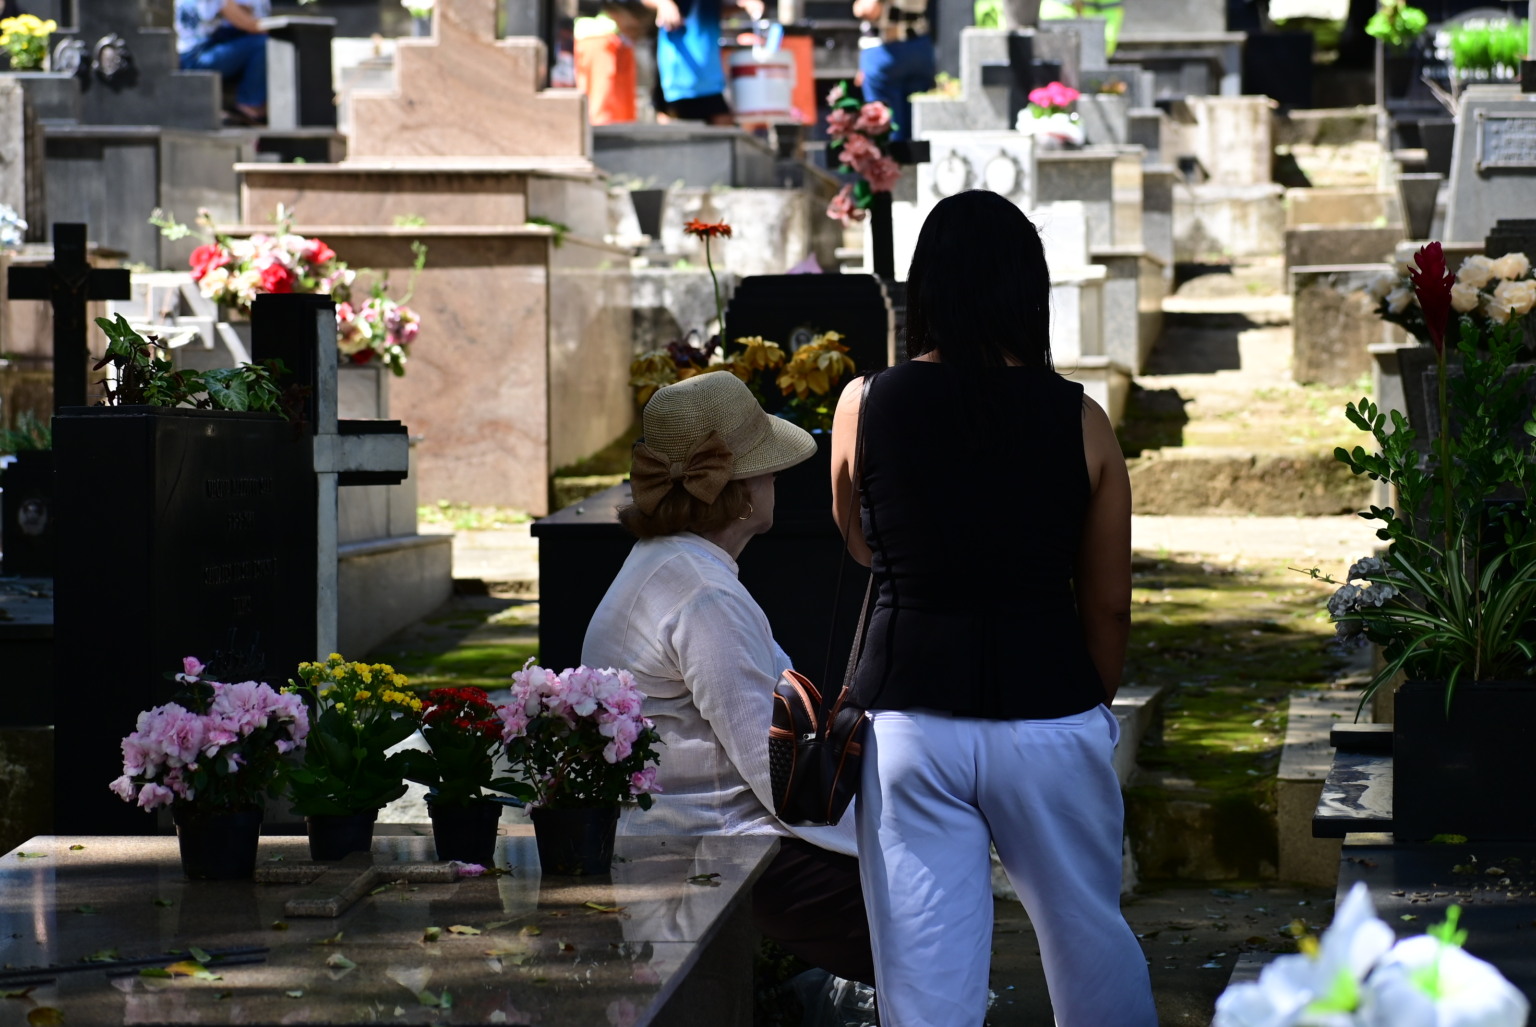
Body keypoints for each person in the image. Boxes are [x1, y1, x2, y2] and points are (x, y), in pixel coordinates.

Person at [829, 190, 1156, 1026]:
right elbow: (1109, 601)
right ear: (1028, 291)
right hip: (1049, 703)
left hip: (908, 715)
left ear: (925, 289)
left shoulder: (864, 404)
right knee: (1092, 943)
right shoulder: (1081, 419)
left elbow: (863, 543)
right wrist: (1090, 700)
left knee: (926, 973)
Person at [582, 371, 876, 987]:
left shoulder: (673, 565)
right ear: (738, 492)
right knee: (927, 916)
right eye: (765, 469)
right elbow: (778, 775)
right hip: (712, 846)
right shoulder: (702, 592)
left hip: (686, 834)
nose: (775, 481)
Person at [641, 0, 763, 125]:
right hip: (679, 74)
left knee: (724, 130)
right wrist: (664, 4)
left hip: (710, 77)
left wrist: (742, 6)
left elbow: (711, 10)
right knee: (674, 132)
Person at [175, 0, 270, 126]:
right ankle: (249, 105)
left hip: (190, 53)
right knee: (262, 44)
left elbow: (244, 12)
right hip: (195, 58)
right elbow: (250, 25)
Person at [851, 0, 934, 141]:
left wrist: (857, 7)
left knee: (885, 130)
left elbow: (868, 10)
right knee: (918, 127)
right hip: (919, 48)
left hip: (885, 50)